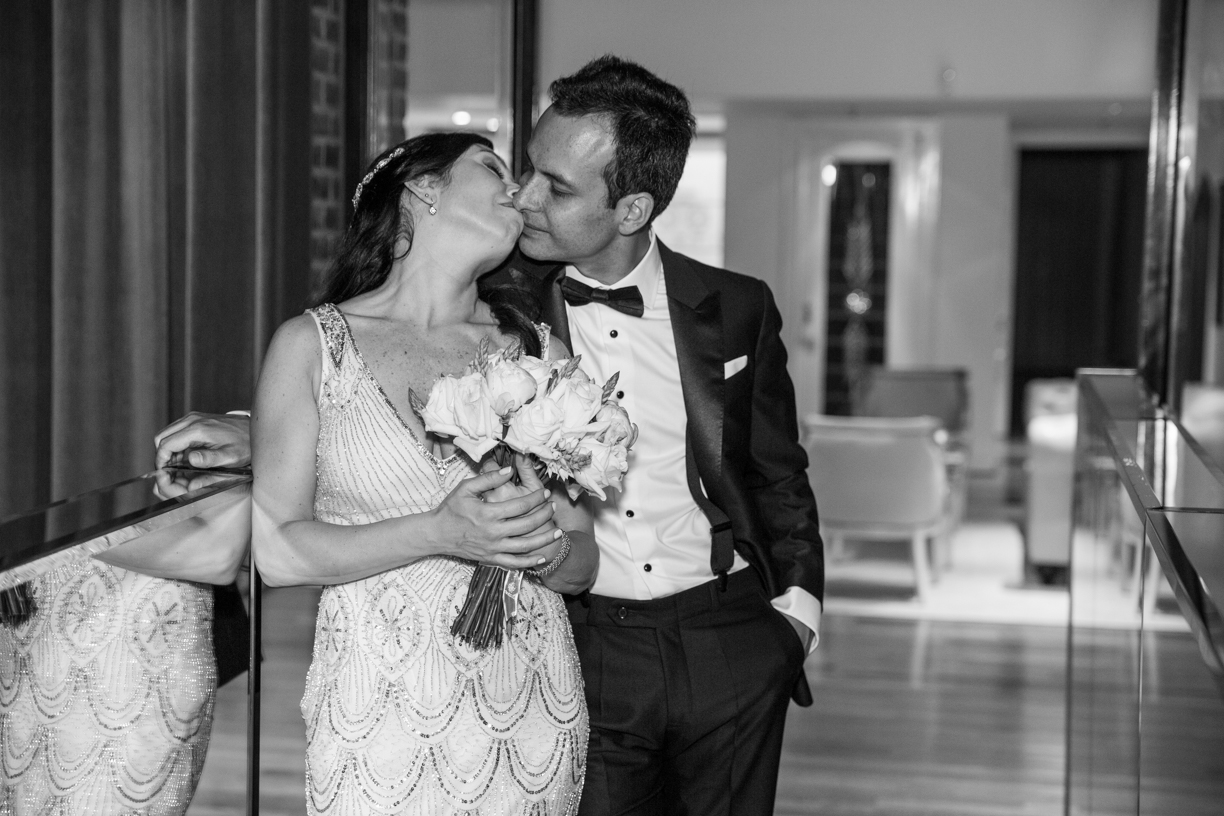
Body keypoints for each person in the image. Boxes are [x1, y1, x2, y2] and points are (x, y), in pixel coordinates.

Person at [157, 56, 823, 816]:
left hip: (721, 637)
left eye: (554, 186)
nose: (524, 194)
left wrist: (796, 618)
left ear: (631, 209)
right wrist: (259, 429)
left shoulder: (716, 310)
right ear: (423, 194)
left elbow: (776, 471)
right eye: (516, 169)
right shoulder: (504, 311)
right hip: (575, 655)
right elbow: (359, 416)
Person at [248, 132, 594, 815]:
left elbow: (583, 562)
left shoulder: (539, 353)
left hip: (525, 707)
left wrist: (539, 545)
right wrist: (440, 532)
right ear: (424, 188)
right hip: (376, 710)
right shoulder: (311, 347)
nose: (518, 190)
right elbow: (277, 553)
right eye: (493, 168)